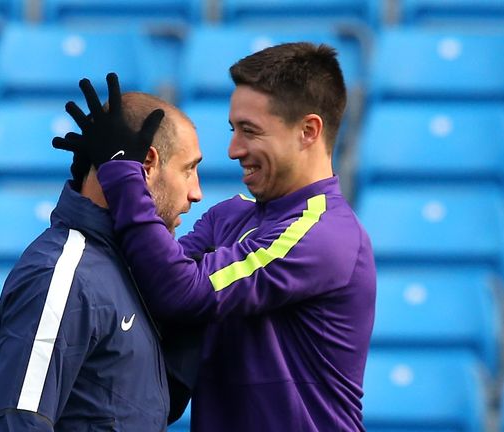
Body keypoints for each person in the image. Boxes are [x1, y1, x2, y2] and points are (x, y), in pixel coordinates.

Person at [58, 42, 377, 431]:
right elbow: (146, 281)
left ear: (308, 131)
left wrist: (121, 171)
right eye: (233, 130)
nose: (232, 150)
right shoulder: (229, 217)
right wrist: (90, 178)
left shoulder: (325, 234)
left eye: (249, 131)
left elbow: (183, 291)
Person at [0, 87, 203, 431]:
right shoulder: (62, 273)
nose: (196, 192)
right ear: (147, 164)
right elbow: (18, 422)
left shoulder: (127, 270)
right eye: (188, 169)